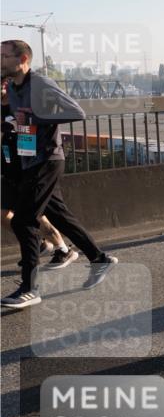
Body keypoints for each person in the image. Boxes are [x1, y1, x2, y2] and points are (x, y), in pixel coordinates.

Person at [1, 40, 118, 309]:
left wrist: (35, 118)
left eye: (4, 56)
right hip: (29, 160)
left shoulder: (39, 83)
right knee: (59, 216)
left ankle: (29, 289)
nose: (0, 61)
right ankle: (99, 259)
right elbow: (20, 120)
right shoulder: (15, 88)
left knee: (23, 221)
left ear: (23, 59)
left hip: (47, 159)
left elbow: (76, 111)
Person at [1, 79, 74, 269]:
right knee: (4, 214)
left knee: (34, 214)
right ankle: (39, 244)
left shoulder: (20, 104)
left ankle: (62, 249)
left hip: (27, 167)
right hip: (8, 167)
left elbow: (31, 135)